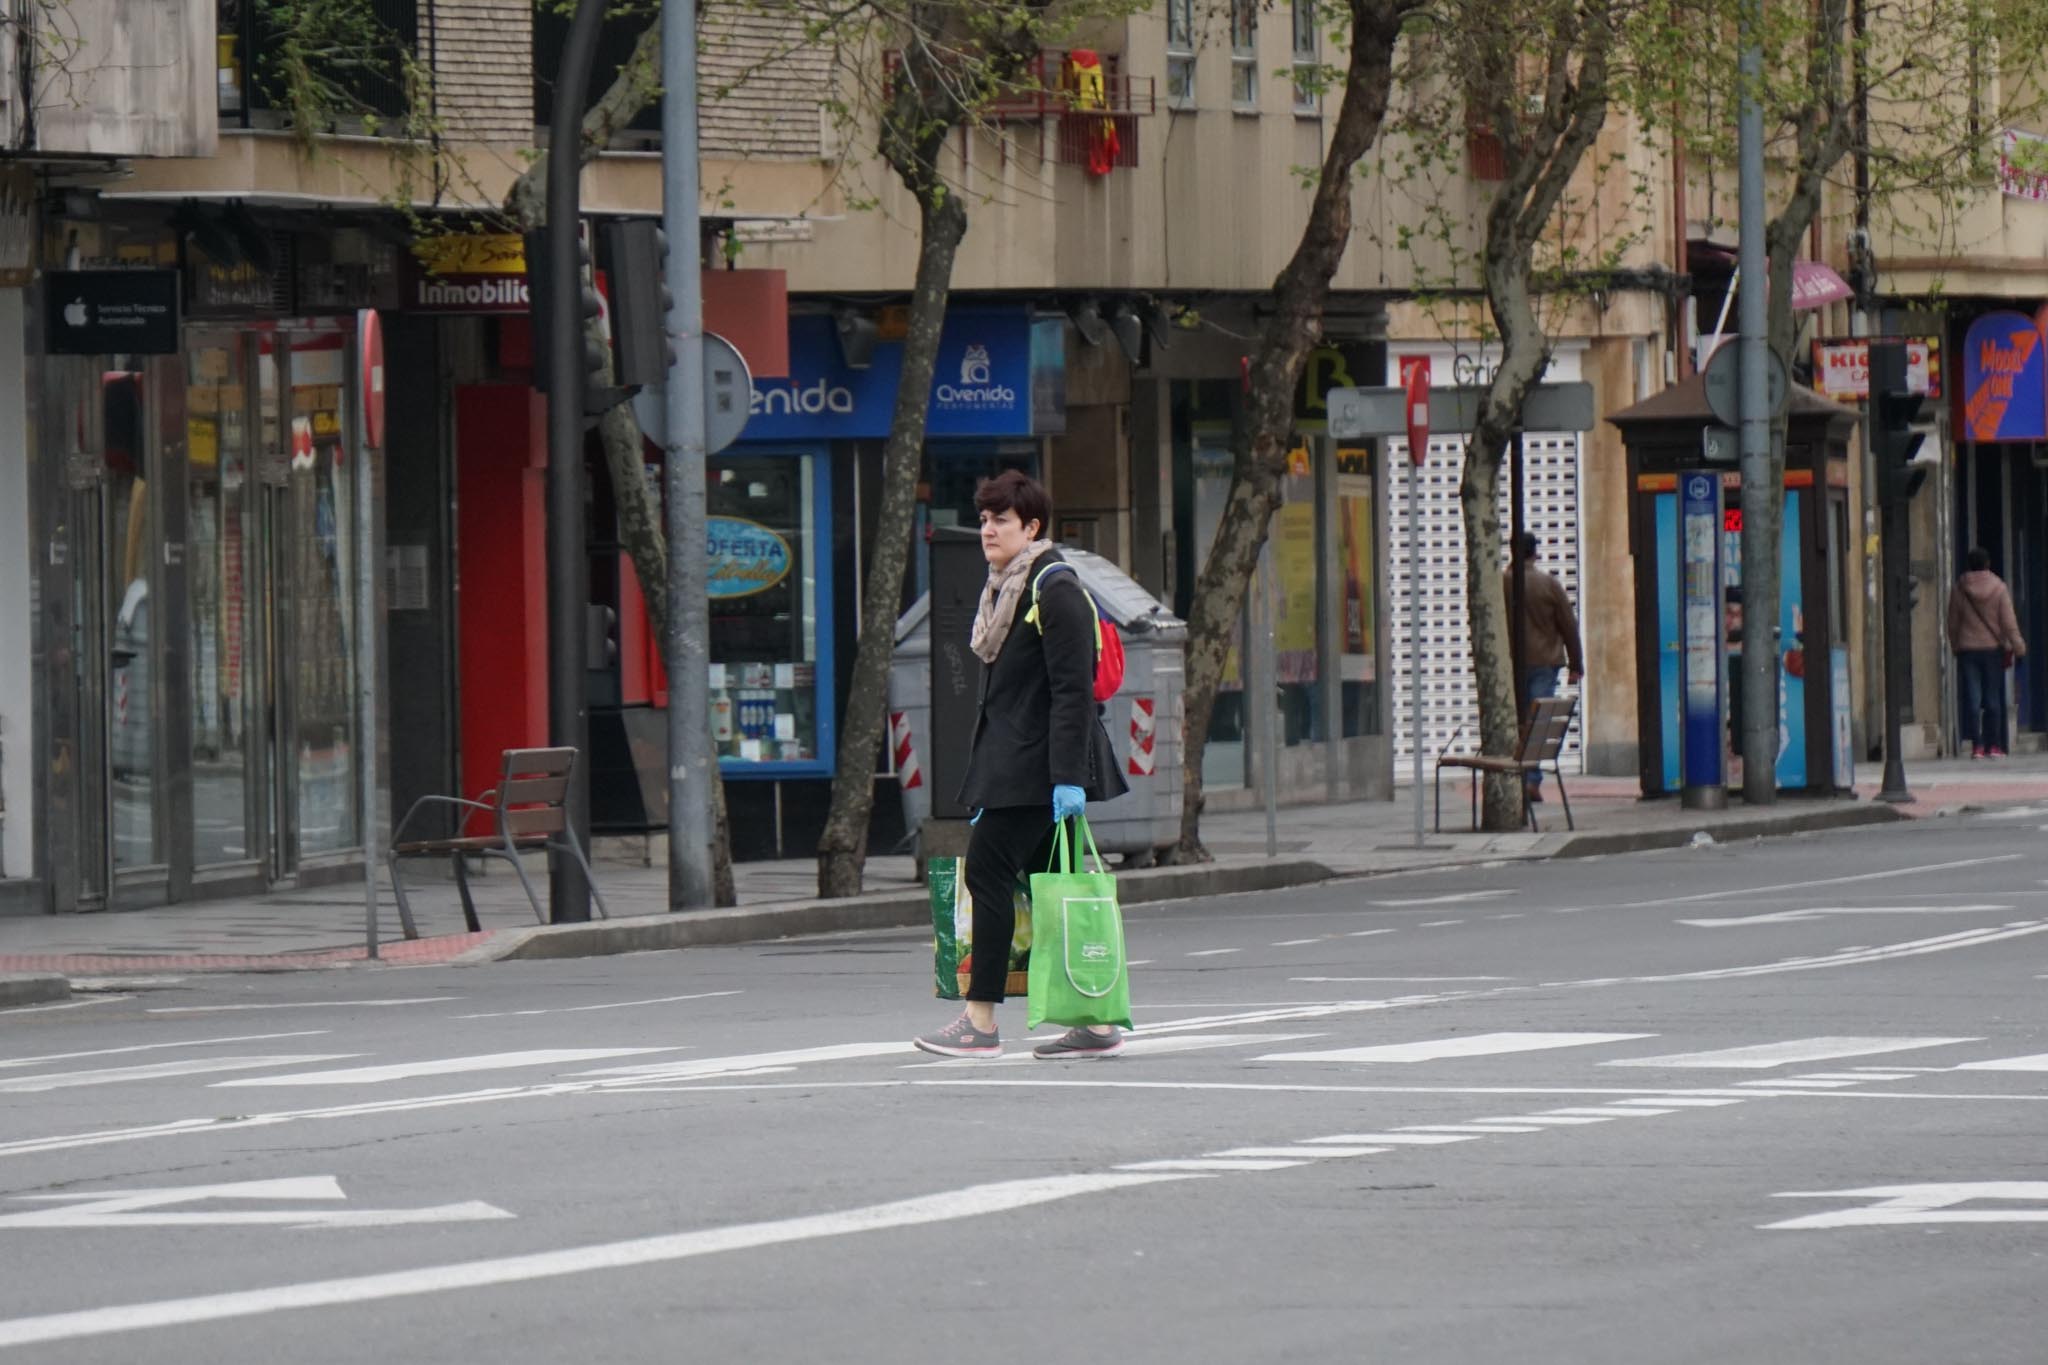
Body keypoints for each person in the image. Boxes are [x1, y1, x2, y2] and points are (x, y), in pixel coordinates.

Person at [914, 471, 1129, 1061]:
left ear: (1031, 527)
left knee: (986, 874)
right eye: (983, 519)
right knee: (1046, 887)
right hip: (1016, 764)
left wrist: (1067, 779)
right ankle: (1095, 1017)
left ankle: (979, 1021)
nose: (987, 529)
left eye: (1000, 520)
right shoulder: (1006, 588)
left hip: (1039, 768)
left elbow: (1072, 691)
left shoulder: (1052, 588)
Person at [1504, 531, 1584, 801]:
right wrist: (1576, 664)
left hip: (1513, 665)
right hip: (1545, 662)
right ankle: (1531, 779)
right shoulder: (1548, 584)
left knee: (1517, 722)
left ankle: (1518, 777)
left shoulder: (1501, 583)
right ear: (1534, 553)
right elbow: (1568, 625)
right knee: (1537, 722)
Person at [1947, 547, 2026, 759]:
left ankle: (1977, 746)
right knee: (1993, 698)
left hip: (1967, 650)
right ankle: (1994, 746)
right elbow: (2009, 623)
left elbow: (1952, 622)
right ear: (1988, 564)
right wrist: (2019, 647)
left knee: (1973, 699)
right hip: (1992, 650)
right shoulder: (1999, 588)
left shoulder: (1959, 589)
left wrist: (1955, 644)